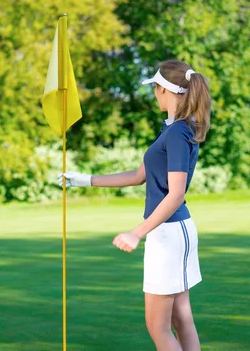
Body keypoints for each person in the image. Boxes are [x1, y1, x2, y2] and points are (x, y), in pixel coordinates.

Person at [59, 60, 211, 351]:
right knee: (181, 320)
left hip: (167, 235)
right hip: (174, 231)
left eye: (155, 87)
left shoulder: (178, 133)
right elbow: (139, 175)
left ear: (166, 89)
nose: (154, 93)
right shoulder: (173, 129)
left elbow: (176, 193)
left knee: (158, 327)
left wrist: (136, 233)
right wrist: (85, 180)